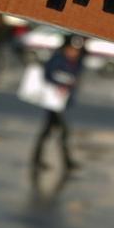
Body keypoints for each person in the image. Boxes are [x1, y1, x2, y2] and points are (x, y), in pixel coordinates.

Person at [32, 34, 84, 172]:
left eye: (76, 50)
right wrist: (59, 84)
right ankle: (66, 162)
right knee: (62, 131)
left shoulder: (77, 62)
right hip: (53, 102)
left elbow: (74, 80)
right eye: (71, 49)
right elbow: (47, 75)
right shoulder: (58, 59)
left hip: (62, 102)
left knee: (48, 131)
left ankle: (38, 159)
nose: (74, 53)